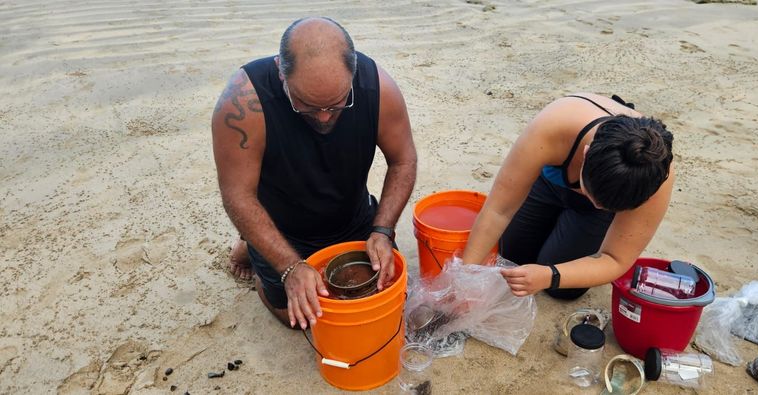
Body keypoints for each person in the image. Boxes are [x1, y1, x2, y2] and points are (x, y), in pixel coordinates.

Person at [211, 17, 417, 329]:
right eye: (306, 104)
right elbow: (237, 194)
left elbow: (403, 160)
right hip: (282, 228)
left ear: (353, 73)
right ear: (281, 71)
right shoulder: (242, 104)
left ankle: (252, 247)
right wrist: (289, 267)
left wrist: (383, 230)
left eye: (336, 105)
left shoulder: (378, 88)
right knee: (304, 320)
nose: (323, 117)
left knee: (384, 295)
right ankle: (254, 254)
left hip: (352, 217)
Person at [461, 93, 674, 299]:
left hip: (596, 205)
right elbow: (499, 210)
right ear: (585, 154)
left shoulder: (653, 175)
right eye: (591, 195)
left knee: (563, 289)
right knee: (513, 258)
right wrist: (465, 277)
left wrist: (550, 275)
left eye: (608, 207)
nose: (598, 206)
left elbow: (616, 259)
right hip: (549, 184)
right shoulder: (554, 125)